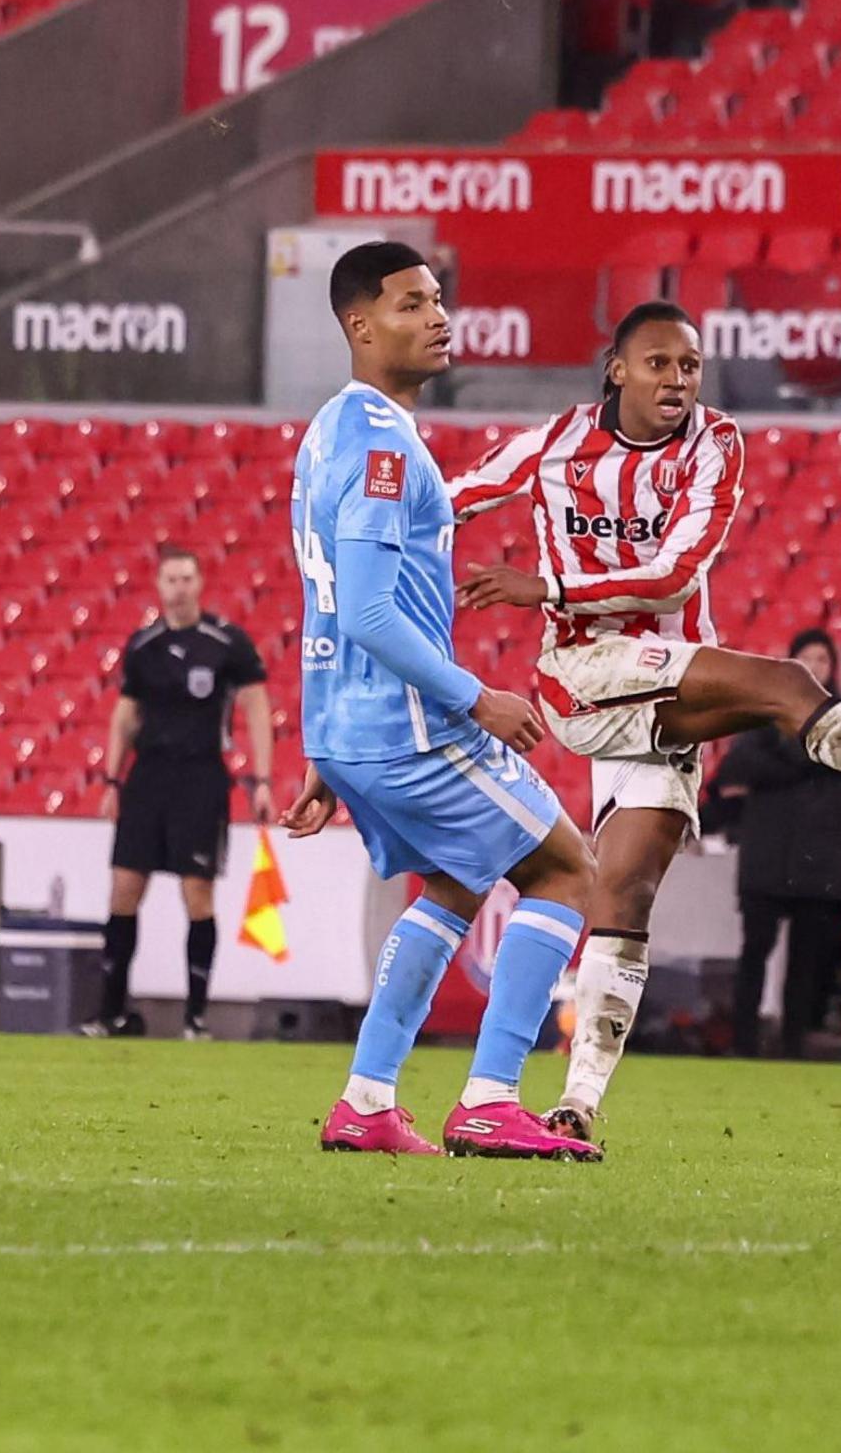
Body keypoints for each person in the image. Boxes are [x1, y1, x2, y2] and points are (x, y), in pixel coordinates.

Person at [445, 300, 841, 1145]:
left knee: (627, 889)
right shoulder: (555, 444)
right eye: (657, 363)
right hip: (582, 675)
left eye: (688, 366)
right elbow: (448, 501)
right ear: (616, 369)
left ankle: (574, 1106)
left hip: (664, 683)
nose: (676, 379)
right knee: (790, 683)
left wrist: (549, 585)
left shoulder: (717, 443)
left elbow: (678, 575)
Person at [277, 243, 600, 1158]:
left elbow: (322, 596)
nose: (438, 316)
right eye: (413, 302)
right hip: (409, 725)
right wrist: (480, 698)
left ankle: (368, 1100)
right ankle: (492, 1097)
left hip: (352, 724)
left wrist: (323, 745)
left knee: (458, 884)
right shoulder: (384, 446)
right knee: (570, 869)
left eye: (438, 298)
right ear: (360, 324)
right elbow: (372, 609)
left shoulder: (327, 432)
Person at [86, 546, 274, 1040]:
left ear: (200, 582)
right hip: (148, 776)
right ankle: (109, 1013)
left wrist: (264, 779)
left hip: (200, 777)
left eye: (187, 578)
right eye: (171, 579)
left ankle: (194, 1017)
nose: (179, 587)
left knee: (198, 892)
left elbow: (257, 708)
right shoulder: (143, 645)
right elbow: (124, 715)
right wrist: (111, 779)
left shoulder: (226, 642)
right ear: (159, 586)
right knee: (125, 888)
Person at [703, 630, 841, 1059]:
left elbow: (757, 768)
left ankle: (794, 1042)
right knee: (755, 952)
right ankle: (744, 1041)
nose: (816, 668)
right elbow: (736, 768)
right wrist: (806, 762)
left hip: (820, 861)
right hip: (768, 859)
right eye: (807, 658)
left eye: (823, 661)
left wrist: (776, 768)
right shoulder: (760, 716)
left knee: (805, 962)